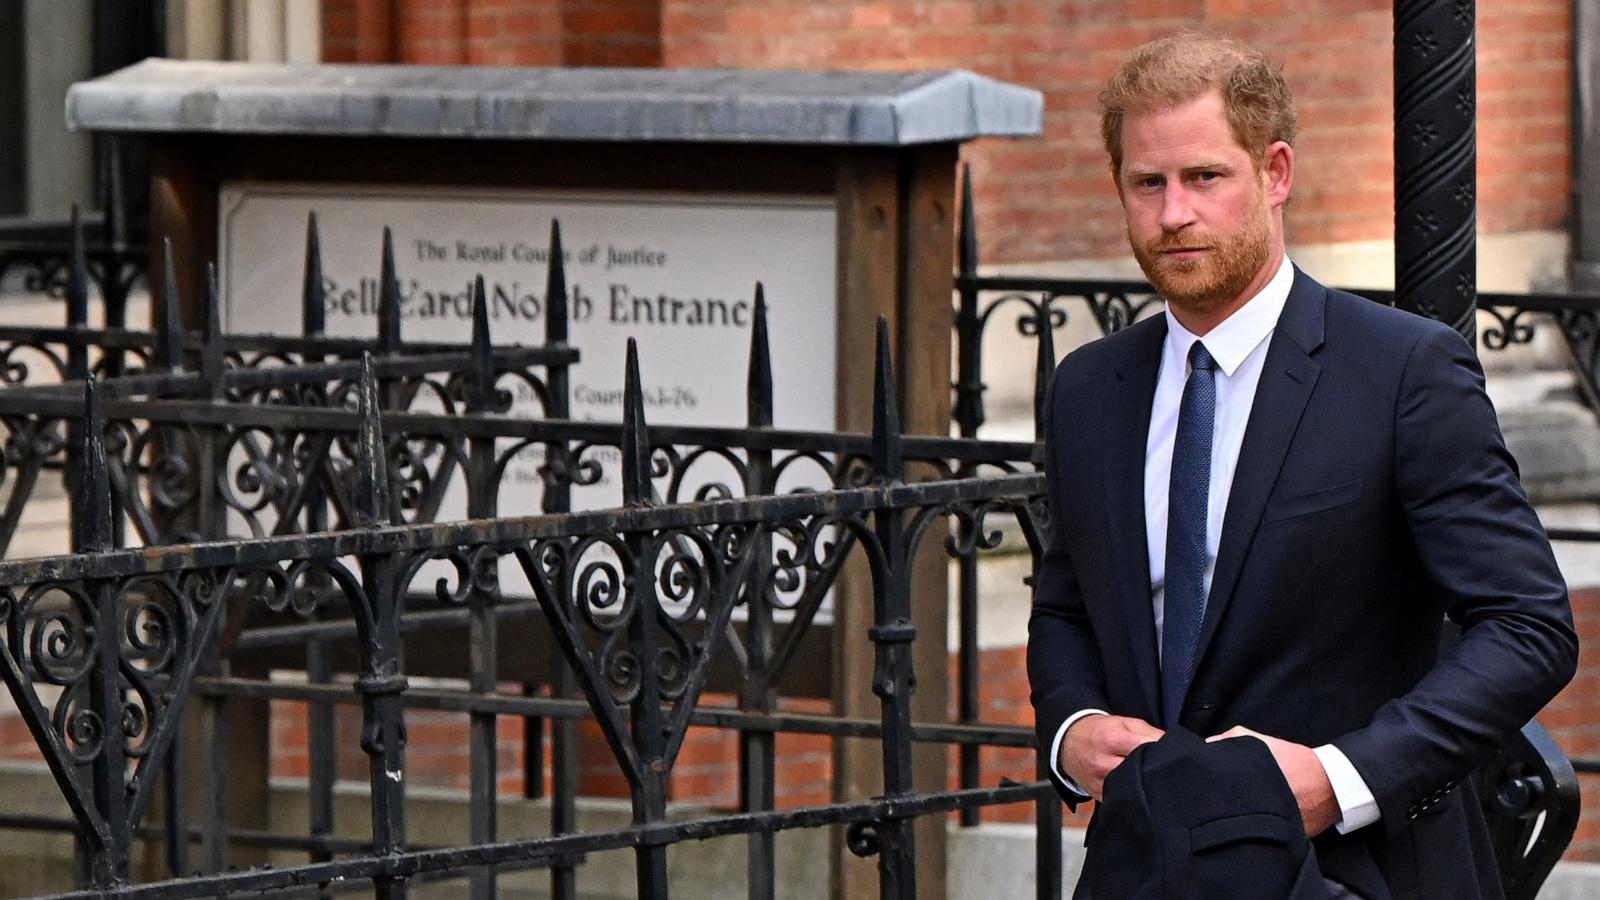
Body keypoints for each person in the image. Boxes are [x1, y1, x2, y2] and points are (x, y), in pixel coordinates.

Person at [1026, 31, 1577, 900]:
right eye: (1148, 183)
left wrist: (1344, 778)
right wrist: (1072, 727)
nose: (1174, 213)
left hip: (1362, 871)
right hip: (1147, 865)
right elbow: (1065, 601)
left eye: (1206, 177)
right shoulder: (1090, 389)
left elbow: (1528, 625)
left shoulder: (1401, 371)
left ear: (1275, 173)